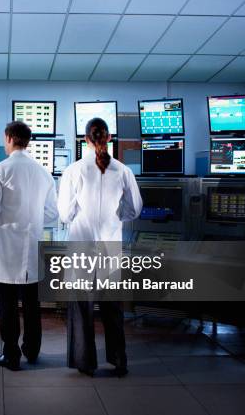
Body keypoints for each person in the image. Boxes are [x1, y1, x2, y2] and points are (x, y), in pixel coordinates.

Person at [57, 117, 142, 377]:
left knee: (82, 307)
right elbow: (135, 208)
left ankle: (85, 362)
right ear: (108, 139)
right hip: (110, 247)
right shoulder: (123, 171)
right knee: (112, 307)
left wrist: (77, 216)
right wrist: (118, 217)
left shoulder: (74, 170)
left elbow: (64, 213)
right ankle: (118, 360)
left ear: (85, 139)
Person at [0, 120, 58, 371]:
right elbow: (51, 214)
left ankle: (11, 356)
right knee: (32, 305)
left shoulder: (0, 170)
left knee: (7, 306)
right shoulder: (43, 172)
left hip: (7, 248)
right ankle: (32, 351)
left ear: (9, 138)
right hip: (33, 246)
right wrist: (32, 220)